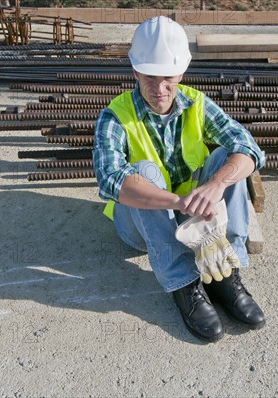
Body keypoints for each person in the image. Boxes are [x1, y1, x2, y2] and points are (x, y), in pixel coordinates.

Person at [92, 16, 266, 342]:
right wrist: (177, 201)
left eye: (168, 78)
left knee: (224, 161)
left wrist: (215, 186)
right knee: (142, 172)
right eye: (150, 78)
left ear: (182, 73)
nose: (160, 89)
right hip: (140, 227)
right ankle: (183, 283)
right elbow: (110, 179)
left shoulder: (196, 102)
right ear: (135, 71)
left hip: (193, 213)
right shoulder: (114, 116)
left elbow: (249, 148)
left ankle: (224, 274)